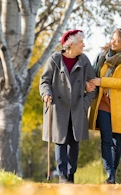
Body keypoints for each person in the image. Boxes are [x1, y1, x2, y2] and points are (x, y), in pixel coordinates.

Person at [39, 29, 96, 184]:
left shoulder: (84, 60)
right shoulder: (54, 59)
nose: (83, 45)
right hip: (58, 107)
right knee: (60, 141)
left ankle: (71, 175)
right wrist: (46, 94)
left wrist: (84, 104)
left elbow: (93, 85)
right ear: (70, 45)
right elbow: (44, 81)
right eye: (81, 42)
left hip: (77, 108)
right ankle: (63, 176)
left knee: (74, 142)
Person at [87, 28, 121, 184]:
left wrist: (102, 81)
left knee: (117, 142)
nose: (113, 42)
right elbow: (93, 74)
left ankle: (113, 175)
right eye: (112, 38)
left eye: (117, 40)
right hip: (102, 102)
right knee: (106, 139)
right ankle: (110, 176)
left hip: (120, 106)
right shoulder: (103, 57)